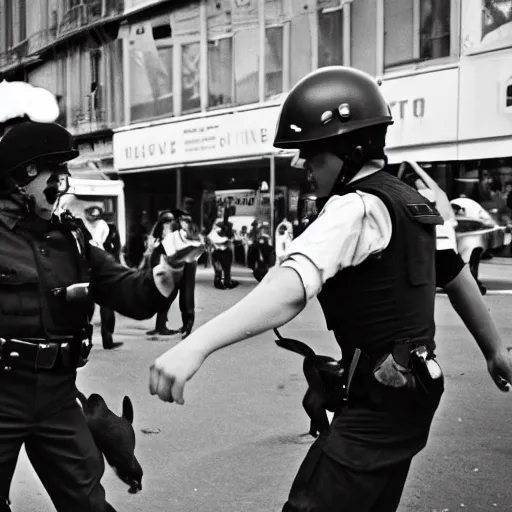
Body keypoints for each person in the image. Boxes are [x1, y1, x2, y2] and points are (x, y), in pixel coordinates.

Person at [149, 67, 512, 512]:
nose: (303, 166)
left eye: (314, 155)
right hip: (410, 393)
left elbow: (292, 284)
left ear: (351, 153)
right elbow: (456, 277)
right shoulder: (412, 202)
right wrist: (494, 350)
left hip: (378, 405)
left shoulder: (354, 207)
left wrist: (197, 345)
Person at [0, 81, 198, 512]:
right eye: (53, 174)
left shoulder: (70, 238)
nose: (62, 185)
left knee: (89, 504)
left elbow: (134, 294)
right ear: (21, 177)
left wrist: (170, 265)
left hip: (57, 396)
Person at [83, 205, 123, 350]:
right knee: (107, 303)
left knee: (87, 305)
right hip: (103, 268)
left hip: (87, 268)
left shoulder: (82, 228)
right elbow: (115, 250)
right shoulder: (107, 228)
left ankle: (84, 339)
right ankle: (107, 339)